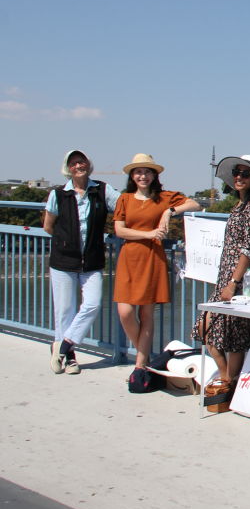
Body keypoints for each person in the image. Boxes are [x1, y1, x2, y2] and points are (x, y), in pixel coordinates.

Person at [190, 154, 250, 406]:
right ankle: (228, 380)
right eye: (236, 172)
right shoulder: (239, 204)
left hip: (239, 280)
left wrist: (233, 283)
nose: (239, 177)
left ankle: (230, 386)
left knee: (235, 336)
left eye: (245, 173)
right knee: (205, 328)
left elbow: (249, 248)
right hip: (226, 276)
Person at [113, 154, 201, 368]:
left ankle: (140, 365)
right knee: (125, 313)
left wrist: (169, 212)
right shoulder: (124, 198)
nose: (143, 175)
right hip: (129, 258)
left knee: (146, 314)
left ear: (154, 175)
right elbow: (119, 230)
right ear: (132, 176)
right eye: (139, 172)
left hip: (152, 259)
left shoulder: (163, 197)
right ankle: (145, 356)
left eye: (147, 171)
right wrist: (149, 234)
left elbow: (195, 204)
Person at [43, 150, 122, 375]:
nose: (78, 166)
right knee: (64, 311)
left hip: (93, 260)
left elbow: (124, 206)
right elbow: (48, 226)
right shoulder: (57, 194)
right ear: (67, 169)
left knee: (93, 303)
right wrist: (65, 242)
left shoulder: (102, 190)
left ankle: (62, 346)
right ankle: (69, 358)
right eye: (73, 163)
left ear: (88, 164)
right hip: (63, 260)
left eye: (82, 162)